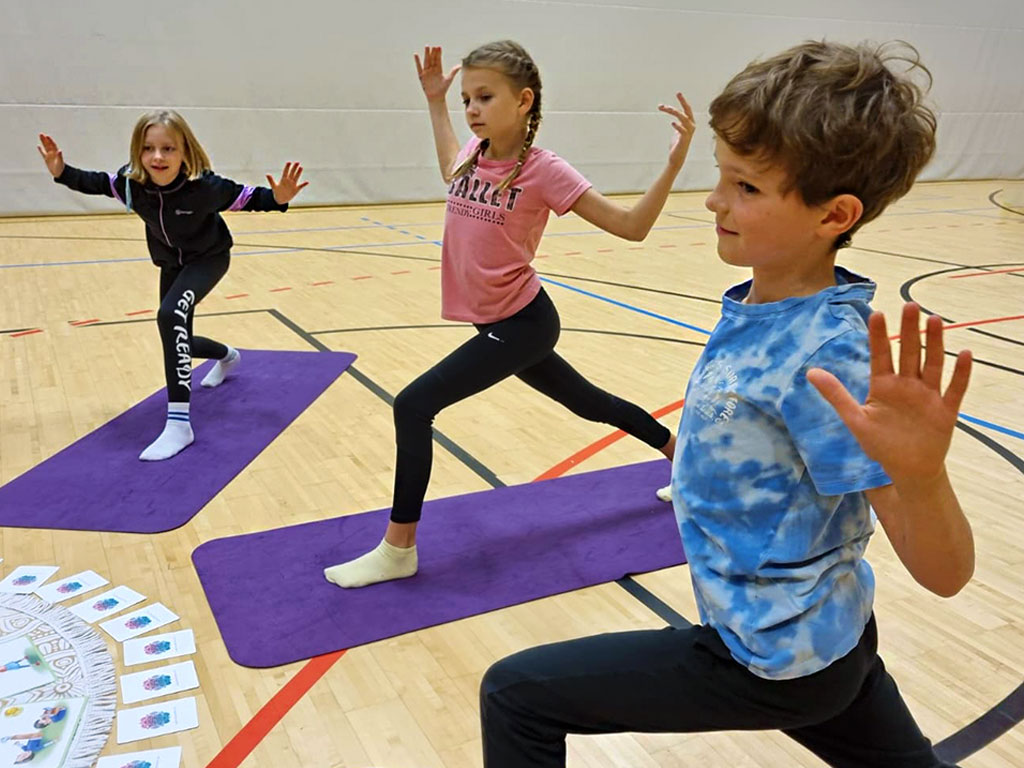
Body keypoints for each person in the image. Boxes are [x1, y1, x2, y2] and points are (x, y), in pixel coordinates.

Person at [478, 40, 973, 768]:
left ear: (833, 214)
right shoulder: (764, 298)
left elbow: (944, 573)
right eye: (721, 175)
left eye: (746, 188)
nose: (714, 201)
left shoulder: (827, 354)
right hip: (829, 639)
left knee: (515, 695)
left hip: (771, 659)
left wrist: (924, 477)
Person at [325, 41, 695, 588]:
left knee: (413, 405)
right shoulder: (473, 156)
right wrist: (435, 102)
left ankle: (399, 548)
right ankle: (684, 459)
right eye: (467, 98)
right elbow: (448, 154)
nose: (471, 108)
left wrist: (672, 165)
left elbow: (631, 227)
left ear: (523, 101)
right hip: (498, 322)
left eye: (484, 97)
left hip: (522, 323)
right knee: (588, 403)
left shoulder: (547, 171)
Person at [38, 110, 308, 460]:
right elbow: (95, 182)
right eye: (149, 148)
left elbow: (255, 199)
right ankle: (228, 356)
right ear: (139, 151)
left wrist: (280, 197)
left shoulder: (205, 187)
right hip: (171, 264)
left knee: (169, 316)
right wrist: (60, 170)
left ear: (185, 151)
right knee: (177, 335)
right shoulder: (132, 185)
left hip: (208, 259)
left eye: (168, 148)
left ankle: (179, 425)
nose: (158, 157)